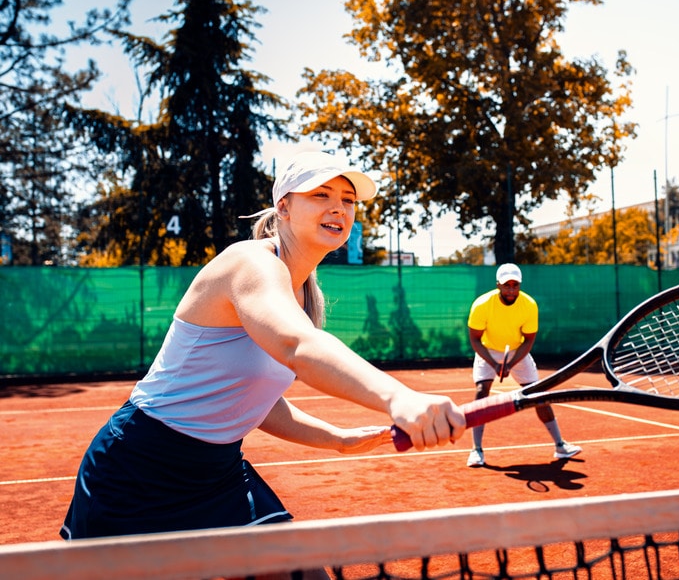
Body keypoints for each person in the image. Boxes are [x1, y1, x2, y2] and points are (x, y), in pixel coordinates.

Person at [60, 150, 466, 544]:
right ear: (283, 208)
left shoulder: (304, 297)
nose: (338, 208)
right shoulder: (249, 263)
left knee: (300, 572)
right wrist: (399, 397)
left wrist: (337, 439)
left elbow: (257, 400)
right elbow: (296, 346)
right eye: (320, 195)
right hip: (139, 466)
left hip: (218, 472)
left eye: (348, 200)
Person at [465, 263, 581, 467]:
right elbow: (475, 339)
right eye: (506, 285)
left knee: (538, 394)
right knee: (481, 392)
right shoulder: (482, 305)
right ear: (498, 285)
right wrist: (493, 363)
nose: (511, 290)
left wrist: (510, 364)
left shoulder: (529, 305)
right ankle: (476, 450)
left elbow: (528, 340)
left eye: (515, 285)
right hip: (488, 350)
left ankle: (560, 446)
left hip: (517, 350)